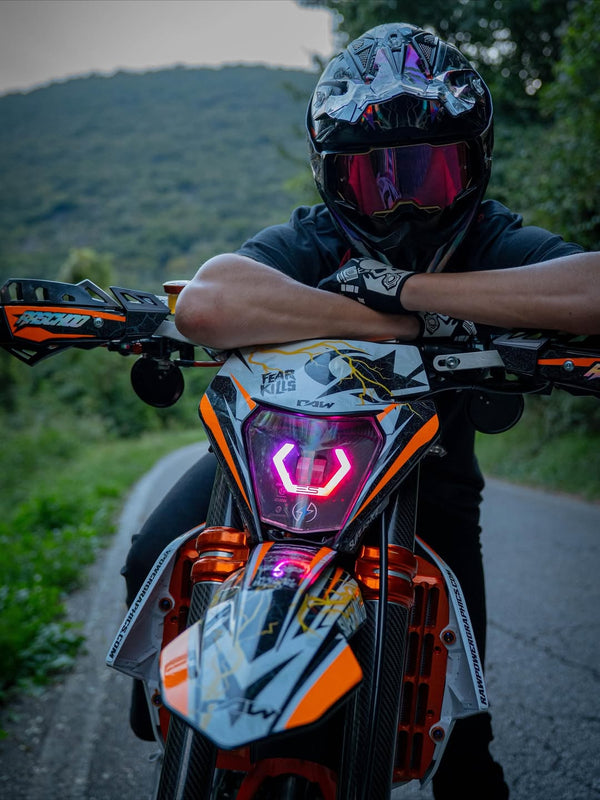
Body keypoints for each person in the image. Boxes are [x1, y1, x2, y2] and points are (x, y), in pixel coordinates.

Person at [122, 22, 600, 799]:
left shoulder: (490, 235)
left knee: (463, 716)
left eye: (429, 173)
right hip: (271, 454)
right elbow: (208, 304)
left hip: (428, 470)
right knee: (153, 553)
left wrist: (405, 288)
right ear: (331, 177)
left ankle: (464, 761)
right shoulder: (311, 237)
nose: (404, 200)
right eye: (375, 178)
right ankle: (164, 709)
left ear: (474, 165)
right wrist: (401, 324)